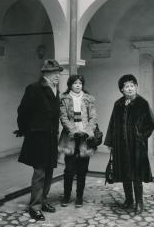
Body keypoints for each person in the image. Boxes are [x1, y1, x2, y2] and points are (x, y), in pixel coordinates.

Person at [15, 59, 63, 221]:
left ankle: (42, 201)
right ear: (45, 74)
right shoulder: (34, 89)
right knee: (40, 172)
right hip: (38, 137)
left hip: (51, 137)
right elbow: (23, 111)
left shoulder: (56, 89)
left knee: (49, 170)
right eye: (53, 72)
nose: (57, 75)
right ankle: (34, 207)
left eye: (58, 72)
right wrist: (25, 130)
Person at [104, 74, 154, 214]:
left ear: (136, 87)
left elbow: (151, 123)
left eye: (132, 85)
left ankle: (139, 203)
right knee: (124, 172)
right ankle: (128, 200)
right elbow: (112, 123)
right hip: (120, 144)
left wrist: (141, 136)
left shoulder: (142, 103)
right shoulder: (118, 104)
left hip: (137, 146)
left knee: (137, 173)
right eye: (126, 86)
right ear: (122, 89)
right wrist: (110, 141)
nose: (130, 88)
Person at [59, 74, 97, 208]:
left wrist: (87, 131)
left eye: (80, 83)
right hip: (70, 138)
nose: (77, 85)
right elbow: (63, 117)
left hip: (85, 138)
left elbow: (93, 117)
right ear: (70, 84)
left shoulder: (89, 99)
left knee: (82, 169)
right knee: (69, 169)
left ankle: (79, 196)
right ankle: (66, 196)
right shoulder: (64, 98)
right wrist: (73, 130)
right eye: (75, 83)